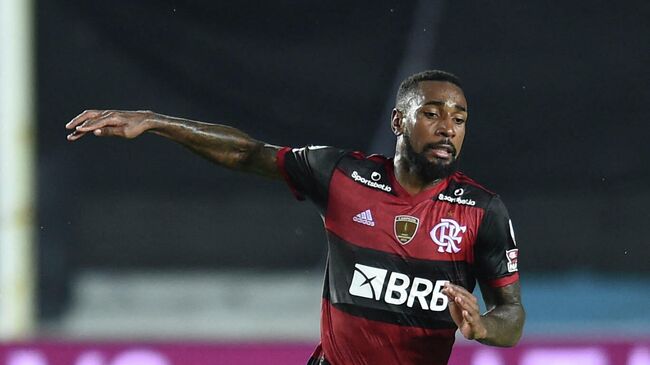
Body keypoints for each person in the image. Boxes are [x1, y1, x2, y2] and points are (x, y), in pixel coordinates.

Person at [66, 70, 524, 365]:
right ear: (398, 122)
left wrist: (482, 326)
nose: (448, 127)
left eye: (459, 119)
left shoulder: (481, 211)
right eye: (432, 113)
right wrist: (154, 121)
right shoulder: (343, 175)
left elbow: (513, 315)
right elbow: (247, 152)